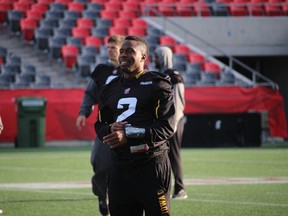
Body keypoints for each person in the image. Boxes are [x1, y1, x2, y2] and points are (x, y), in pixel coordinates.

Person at [94, 35, 176, 216]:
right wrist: (110, 130)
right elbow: (100, 124)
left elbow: (167, 128)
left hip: (151, 165)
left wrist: (128, 134)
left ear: (143, 57)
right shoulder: (109, 88)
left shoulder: (158, 84)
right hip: (119, 167)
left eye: (130, 51)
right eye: (121, 51)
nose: (123, 55)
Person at [76, 35, 125, 216]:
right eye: (109, 47)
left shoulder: (131, 70)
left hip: (127, 126)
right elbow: (90, 94)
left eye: (114, 47)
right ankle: (101, 196)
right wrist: (83, 112)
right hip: (105, 126)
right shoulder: (101, 71)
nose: (110, 50)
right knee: (100, 164)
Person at [154, 46, 188, 199]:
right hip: (164, 121)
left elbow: (179, 102)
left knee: (174, 155)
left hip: (174, 120)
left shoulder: (174, 76)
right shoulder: (160, 74)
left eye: (156, 56)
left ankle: (180, 189)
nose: (154, 59)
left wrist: (173, 122)